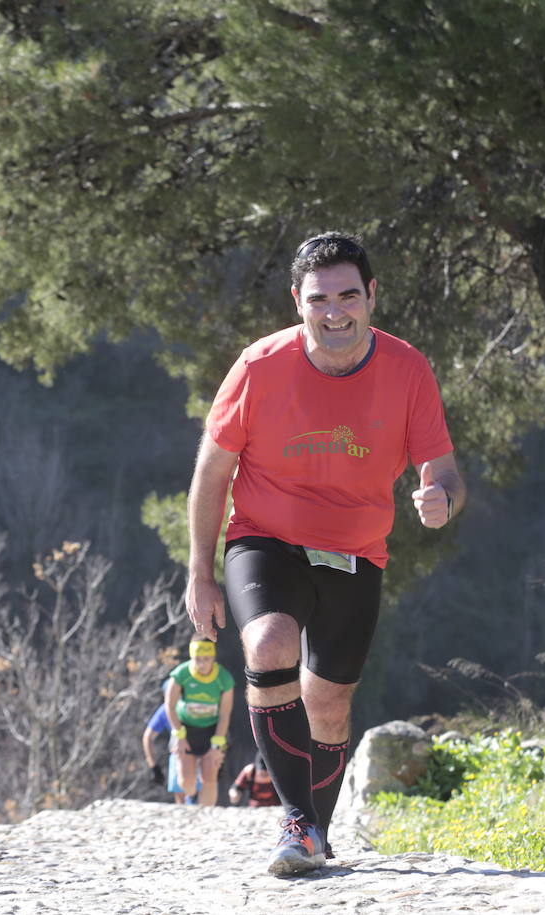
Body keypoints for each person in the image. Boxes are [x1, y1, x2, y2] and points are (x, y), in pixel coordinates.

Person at [185, 231, 465, 876]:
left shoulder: (407, 369)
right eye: (319, 299)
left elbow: (443, 469)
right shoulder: (259, 366)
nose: (333, 311)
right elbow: (211, 472)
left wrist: (441, 500)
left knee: (329, 703)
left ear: (371, 296)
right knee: (268, 644)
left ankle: (316, 828)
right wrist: (201, 573)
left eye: (347, 295)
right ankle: (298, 822)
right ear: (297, 302)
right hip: (264, 537)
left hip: (356, 550)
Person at [164, 638, 235, 807]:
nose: (202, 665)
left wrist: (217, 743)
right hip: (185, 729)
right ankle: (190, 784)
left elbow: (225, 714)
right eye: (197, 659)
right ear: (191, 657)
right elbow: (169, 706)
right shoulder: (181, 674)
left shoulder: (224, 678)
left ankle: (206, 816)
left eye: (206, 659)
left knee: (209, 776)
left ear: (213, 657)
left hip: (212, 730)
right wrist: (179, 735)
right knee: (187, 784)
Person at [141, 701, 201, 804]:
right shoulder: (199, 702)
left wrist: (153, 766)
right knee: (199, 799)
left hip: (180, 753)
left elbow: (148, 737)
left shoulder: (166, 708)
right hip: (199, 753)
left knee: (183, 800)